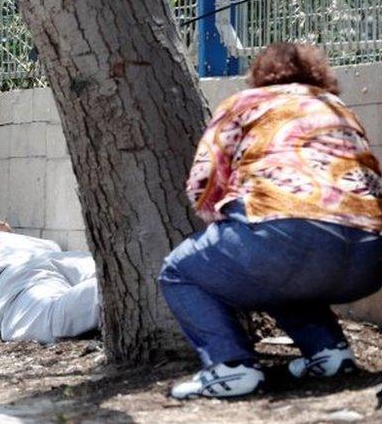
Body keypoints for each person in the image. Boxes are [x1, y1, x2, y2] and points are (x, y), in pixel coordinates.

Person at [159, 42, 382, 399]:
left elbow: (203, 180)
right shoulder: (337, 108)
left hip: (280, 235)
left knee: (178, 271)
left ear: (258, 76)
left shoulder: (245, 103)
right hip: (370, 256)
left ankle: (231, 368)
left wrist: (223, 225)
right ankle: (328, 353)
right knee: (281, 276)